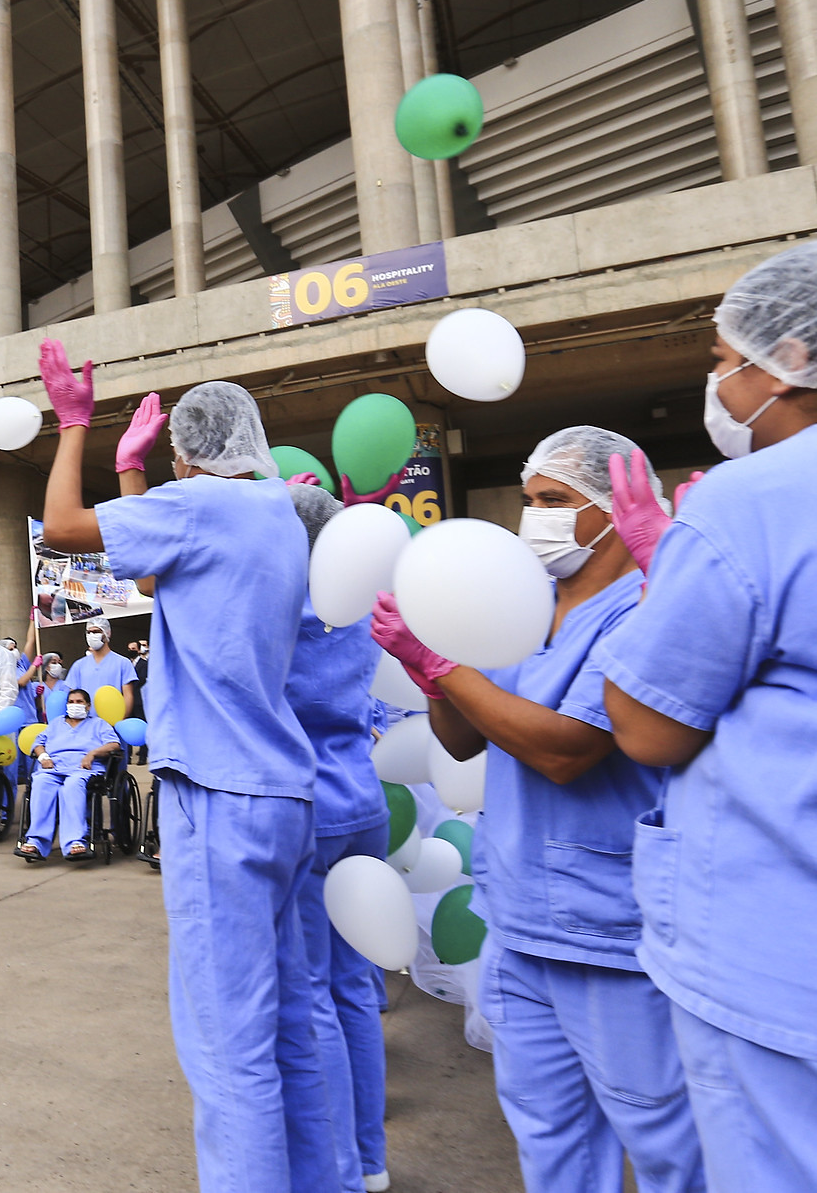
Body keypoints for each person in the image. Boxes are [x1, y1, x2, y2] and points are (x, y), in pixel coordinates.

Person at [38, 340, 336, 1191]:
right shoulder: (276, 510)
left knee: (226, 1048)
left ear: (189, 458)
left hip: (218, 792)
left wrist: (72, 428)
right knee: (286, 1030)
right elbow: (173, 565)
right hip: (280, 789)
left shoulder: (202, 507)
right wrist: (140, 478)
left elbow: (63, 529)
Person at [374, 428, 704, 1193]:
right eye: (528, 502)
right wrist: (428, 664)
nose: (534, 521)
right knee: (546, 1130)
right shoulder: (525, 607)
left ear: (616, 510)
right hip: (519, 920)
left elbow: (566, 749)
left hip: (610, 931)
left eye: (553, 502)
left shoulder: (640, 609)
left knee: (659, 1138)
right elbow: (458, 739)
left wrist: (446, 667)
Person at [594, 247, 817, 1188]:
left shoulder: (750, 501)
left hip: (776, 953)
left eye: (724, 359)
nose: (716, 382)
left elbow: (645, 727)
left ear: (789, 356)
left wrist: (663, 582)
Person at [285, 486, 392, 1193]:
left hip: (310, 809)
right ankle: (372, 1155)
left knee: (316, 991)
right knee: (356, 989)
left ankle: (340, 1172)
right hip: (363, 797)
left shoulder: (281, 613)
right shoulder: (359, 607)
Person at [14, 685, 117, 861]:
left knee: (71, 786)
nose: (74, 705)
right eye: (71, 702)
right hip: (54, 767)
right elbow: (38, 743)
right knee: (40, 783)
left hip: (83, 769)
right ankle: (36, 841)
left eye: (79, 702)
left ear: (88, 706)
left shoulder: (98, 724)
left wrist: (92, 754)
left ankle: (75, 841)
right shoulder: (56, 724)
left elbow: (114, 745)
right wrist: (44, 756)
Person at [65, 615, 136, 724]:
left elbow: (128, 696)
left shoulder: (122, 663)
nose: (92, 635)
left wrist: (120, 721)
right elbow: (73, 696)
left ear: (107, 633)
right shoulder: (79, 665)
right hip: (86, 725)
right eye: (89, 632)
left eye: (96, 631)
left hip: (112, 723)